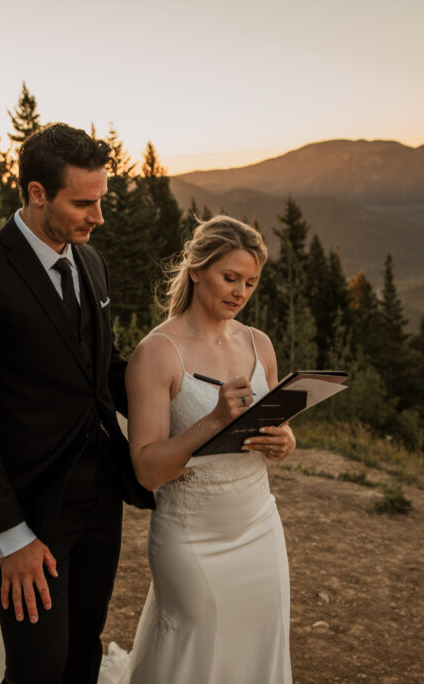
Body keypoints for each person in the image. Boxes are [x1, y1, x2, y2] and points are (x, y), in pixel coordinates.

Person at [0, 122, 154, 684]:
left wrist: (194, 400)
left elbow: (103, 371)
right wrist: (11, 535)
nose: (98, 218)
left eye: (101, 200)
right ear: (36, 194)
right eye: (84, 203)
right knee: (37, 668)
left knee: (83, 654)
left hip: (100, 495)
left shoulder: (91, 263)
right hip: (32, 508)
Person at [120, 215, 295, 683]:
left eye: (251, 283)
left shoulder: (260, 343)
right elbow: (146, 470)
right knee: (197, 651)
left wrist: (285, 440)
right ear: (196, 270)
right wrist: (214, 421)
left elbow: (272, 423)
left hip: (259, 525)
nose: (240, 292)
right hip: (191, 536)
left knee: (261, 643)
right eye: (230, 277)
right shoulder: (157, 352)